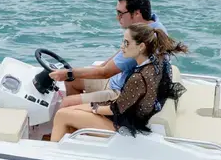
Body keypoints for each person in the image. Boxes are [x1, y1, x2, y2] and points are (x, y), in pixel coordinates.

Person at [50, 23, 187, 142]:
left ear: (141, 47)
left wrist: (94, 108)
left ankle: (53, 155)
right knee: (71, 109)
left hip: (124, 127)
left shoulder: (138, 77)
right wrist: (90, 107)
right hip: (129, 115)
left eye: (126, 43)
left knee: (62, 115)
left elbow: (115, 109)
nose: (122, 47)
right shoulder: (158, 62)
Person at [49, 0, 167, 108]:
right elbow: (118, 56)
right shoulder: (154, 26)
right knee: (72, 80)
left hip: (121, 94)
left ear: (137, 13)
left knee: (67, 101)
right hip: (117, 80)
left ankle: (71, 114)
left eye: (121, 13)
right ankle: (75, 115)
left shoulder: (143, 41)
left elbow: (105, 73)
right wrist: (100, 66)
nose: (117, 18)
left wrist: (67, 73)